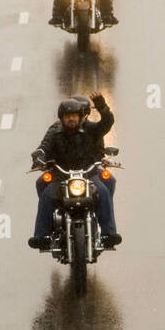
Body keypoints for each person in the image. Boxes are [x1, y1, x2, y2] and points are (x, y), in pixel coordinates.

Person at [29, 95, 121, 248]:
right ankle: (42, 236)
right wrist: (39, 156)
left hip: (88, 174)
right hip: (62, 176)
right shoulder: (54, 131)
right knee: (47, 196)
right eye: (67, 116)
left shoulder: (90, 129)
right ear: (62, 118)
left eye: (74, 116)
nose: (71, 119)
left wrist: (102, 107)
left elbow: (106, 124)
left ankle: (109, 234)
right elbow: (44, 146)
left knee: (104, 192)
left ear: (80, 117)